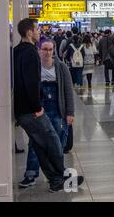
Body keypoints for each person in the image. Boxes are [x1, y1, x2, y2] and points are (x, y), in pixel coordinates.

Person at [14, 19, 84, 193]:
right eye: (36, 29)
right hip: (32, 110)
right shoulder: (30, 53)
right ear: (30, 33)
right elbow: (31, 83)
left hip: (22, 109)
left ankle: (55, 180)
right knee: (52, 141)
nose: (38, 32)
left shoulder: (16, 51)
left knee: (39, 144)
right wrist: (37, 107)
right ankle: (62, 176)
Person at [19, 39, 76, 188]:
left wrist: (70, 112)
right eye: (45, 49)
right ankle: (30, 174)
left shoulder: (62, 67)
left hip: (57, 108)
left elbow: (68, 91)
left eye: (50, 49)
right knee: (35, 141)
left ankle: (58, 175)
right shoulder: (34, 67)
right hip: (40, 109)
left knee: (56, 143)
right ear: (39, 50)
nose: (48, 52)